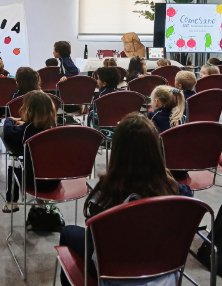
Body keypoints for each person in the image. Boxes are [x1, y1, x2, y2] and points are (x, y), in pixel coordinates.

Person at [59, 114, 193, 286]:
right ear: (156, 150)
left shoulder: (105, 197)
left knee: (67, 232)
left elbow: (96, 245)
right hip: (162, 269)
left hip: (114, 272)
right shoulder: (180, 195)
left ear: (117, 152)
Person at [1, 90, 58, 212]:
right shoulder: (54, 128)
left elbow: (9, 132)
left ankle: (11, 203)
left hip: (33, 183)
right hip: (55, 180)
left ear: (29, 111)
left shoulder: (26, 130)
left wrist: (9, 120)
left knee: (14, 164)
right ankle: (40, 202)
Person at [88, 66, 120, 131]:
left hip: (105, 129)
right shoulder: (123, 93)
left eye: (98, 78)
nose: (96, 81)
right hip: (121, 127)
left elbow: (92, 113)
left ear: (104, 84)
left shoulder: (99, 96)